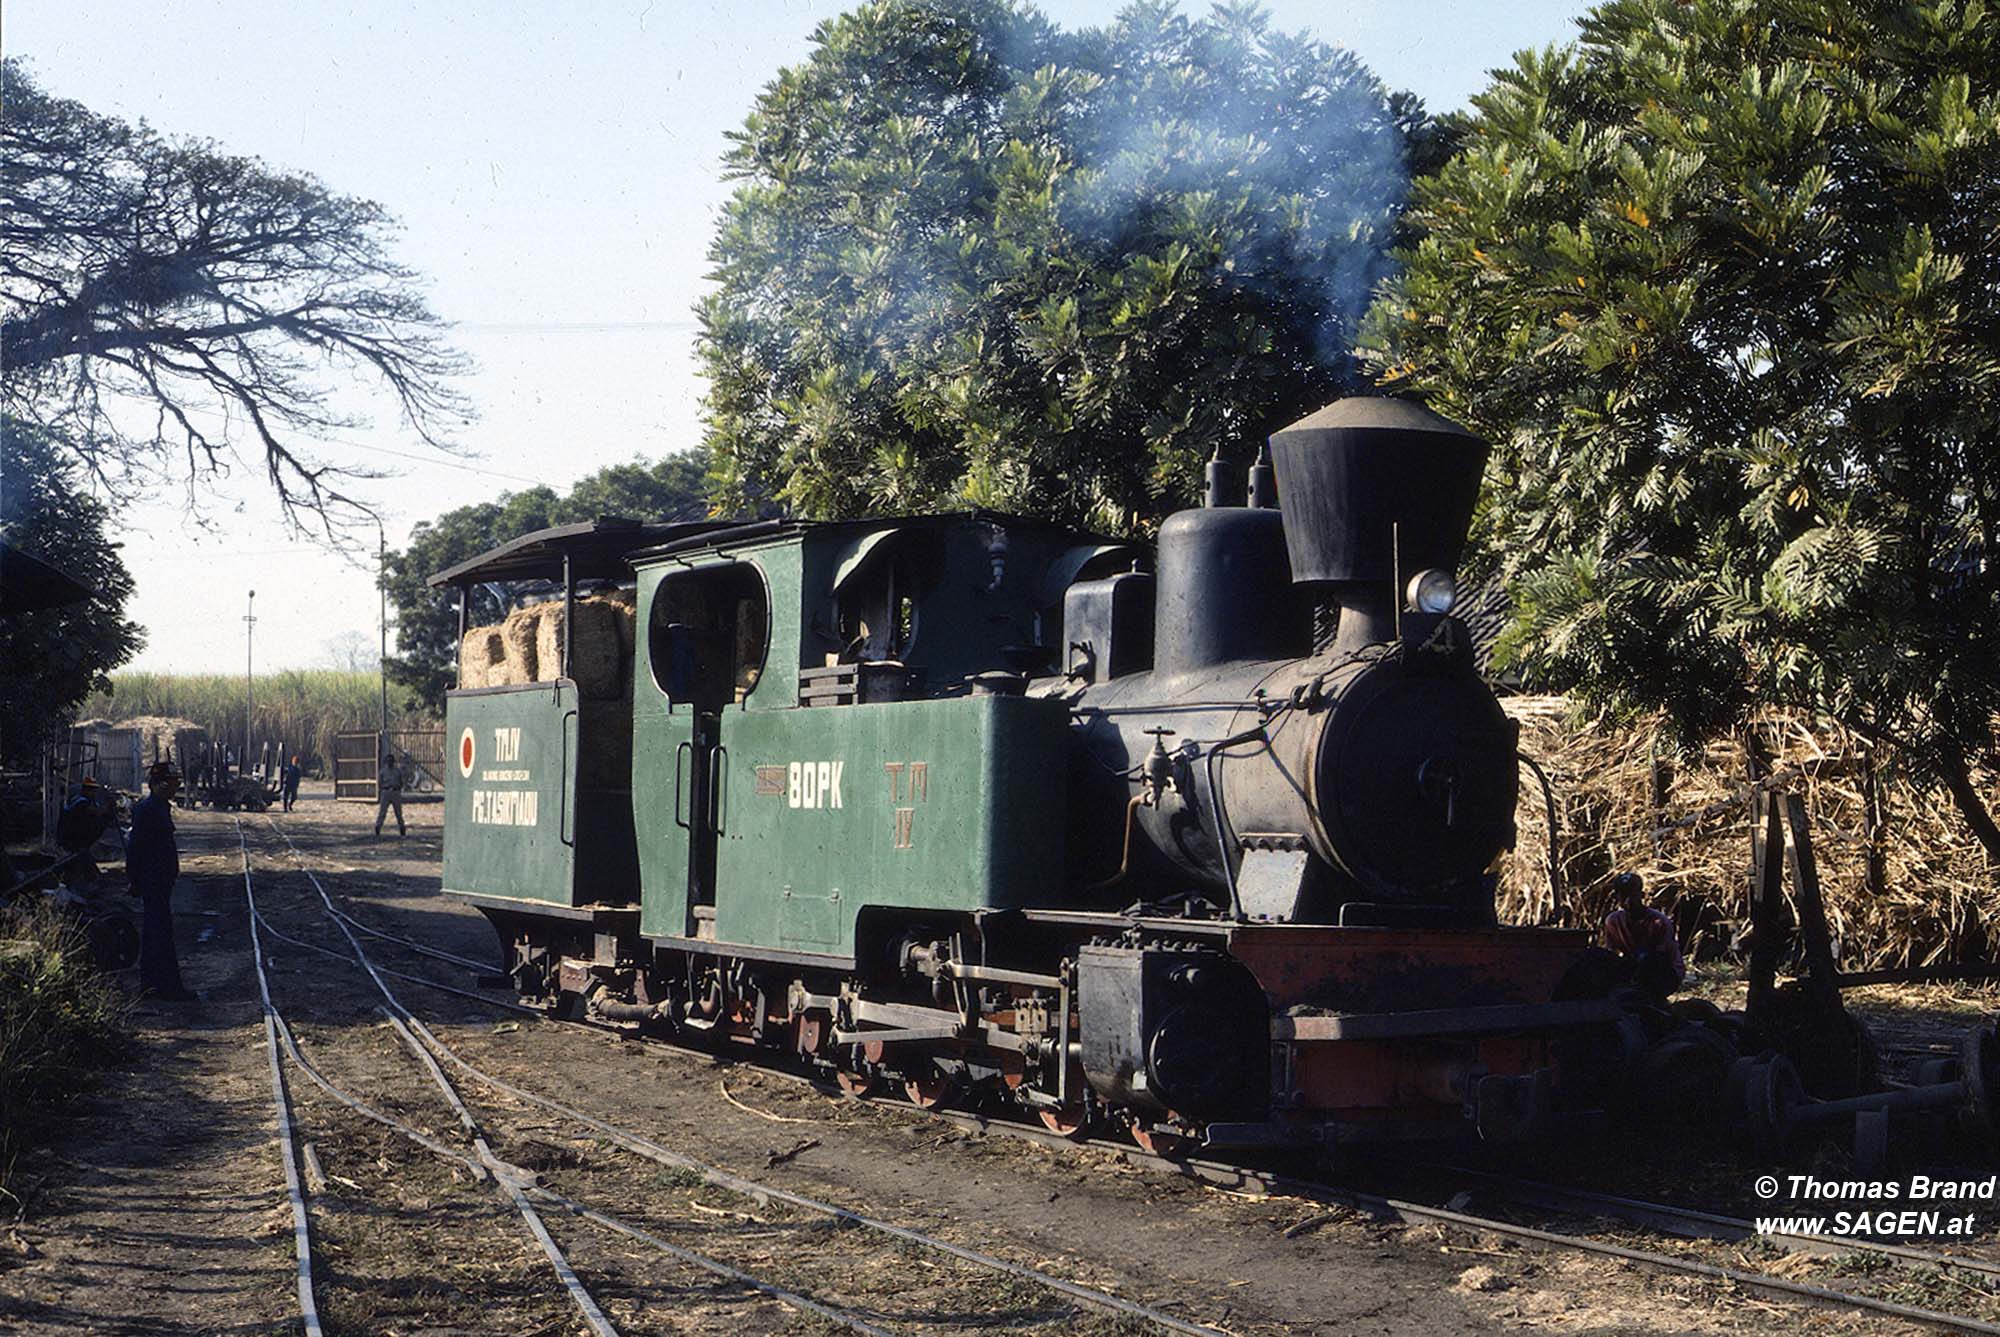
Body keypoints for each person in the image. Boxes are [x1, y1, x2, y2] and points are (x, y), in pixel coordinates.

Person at [128, 761, 195, 1001]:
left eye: (176, 784)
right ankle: (166, 987)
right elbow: (135, 847)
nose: (174, 788)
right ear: (155, 784)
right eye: (169, 783)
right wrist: (133, 879)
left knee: (156, 931)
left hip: (160, 878)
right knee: (159, 933)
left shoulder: (160, 807)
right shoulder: (147, 809)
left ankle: (152, 985)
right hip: (152, 878)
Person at [1602, 871, 1685, 1000]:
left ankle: (1651, 997)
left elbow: (1661, 955)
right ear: (1617, 898)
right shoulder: (1613, 921)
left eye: (1633, 896)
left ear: (1641, 895)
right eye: (1623, 896)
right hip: (1634, 966)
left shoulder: (1658, 921)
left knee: (1648, 960)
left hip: (1665, 971)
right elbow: (1611, 952)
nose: (1628, 901)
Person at [373, 751, 407, 838]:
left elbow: (402, 781)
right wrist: (383, 789)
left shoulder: (397, 771)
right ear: (386, 762)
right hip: (386, 792)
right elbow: (379, 782)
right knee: (382, 812)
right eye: (388, 761)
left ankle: (402, 828)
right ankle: (378, 827)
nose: (390, 762)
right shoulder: (383, 772)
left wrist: (398, 788)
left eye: (391, 760)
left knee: (398, 813)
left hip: (396, 792)